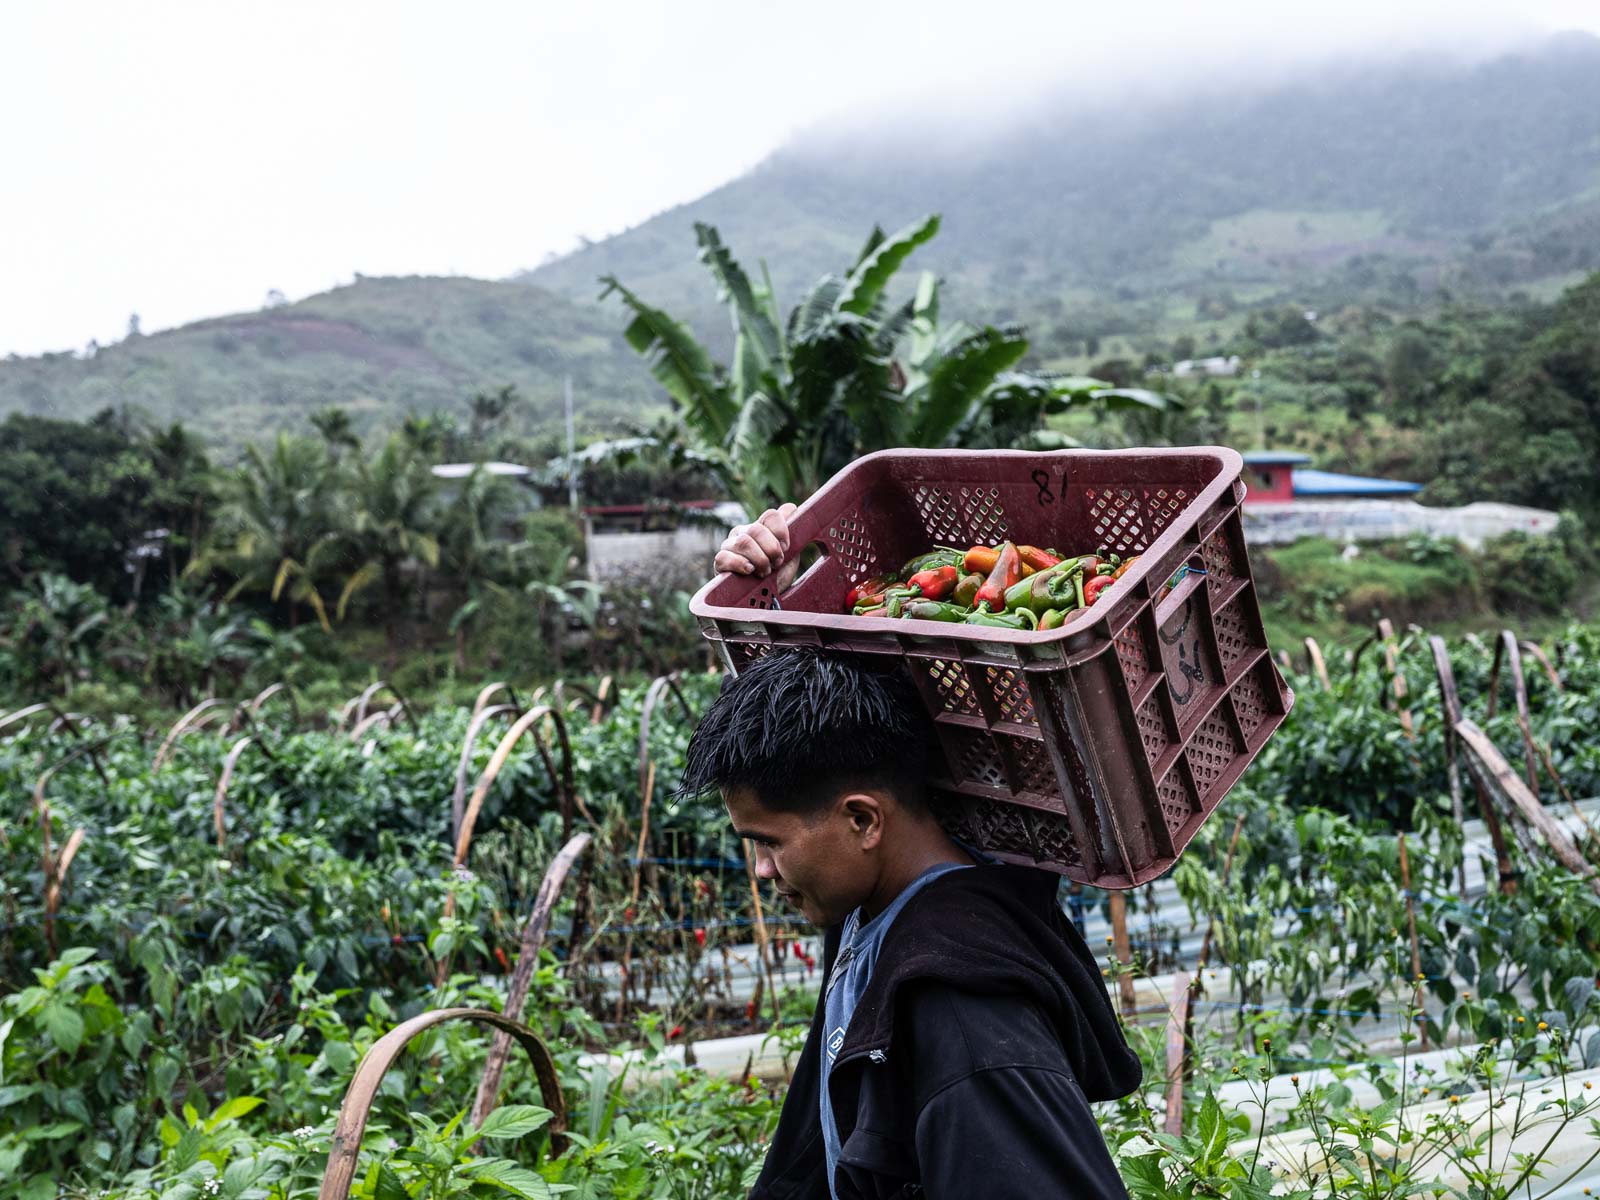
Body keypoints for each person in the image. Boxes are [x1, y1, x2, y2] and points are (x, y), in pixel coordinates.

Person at [677, 508, 1143, 1200]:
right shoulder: (878, 907)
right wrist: (771, 603)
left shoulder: (965, 1021)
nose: (763, 873)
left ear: (864, 820)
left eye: (768, 845)